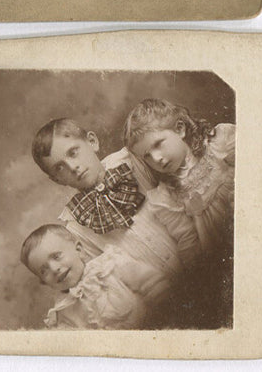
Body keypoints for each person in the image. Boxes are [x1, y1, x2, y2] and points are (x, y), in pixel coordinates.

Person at [32, 117, 197, 275]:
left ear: (92, 142)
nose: (73, 167)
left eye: (73, 153)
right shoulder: (77, 226)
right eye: (59, 168)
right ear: (56, 180)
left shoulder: (132, 161)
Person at [125, 99, 236, 260]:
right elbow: (188, 241)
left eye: (158, 144)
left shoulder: (219, 144)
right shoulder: (167, 197)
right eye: (147, 156)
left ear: (179, 130)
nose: (156, 158)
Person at [21, 223, 169, 330]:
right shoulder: (63, 312)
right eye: (44, 270)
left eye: (57, 256)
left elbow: (155, 284)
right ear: (43, 282)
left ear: (79, 249)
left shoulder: (110, 266)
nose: (54, 269)